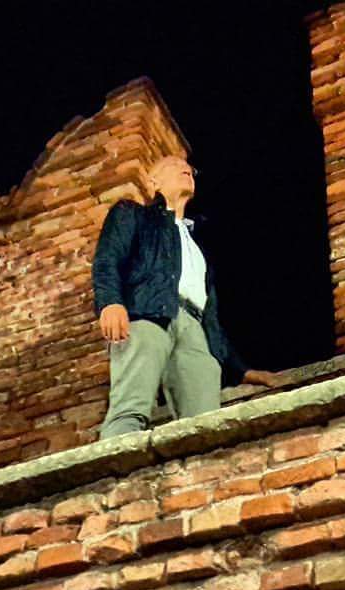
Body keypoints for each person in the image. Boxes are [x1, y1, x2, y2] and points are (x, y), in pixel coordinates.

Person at [91, 155, 282, 438]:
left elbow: (211, 317)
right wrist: (110, 302)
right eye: (174, 166)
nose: (186, 169)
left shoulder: (197, 245)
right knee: (130, 407)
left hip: (195, 329)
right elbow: (107, 260)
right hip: (147, 315)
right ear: (153, 182)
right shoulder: (132, 214)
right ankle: (113, 462)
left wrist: (240, 370)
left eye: (190, 169)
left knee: (205, 423)